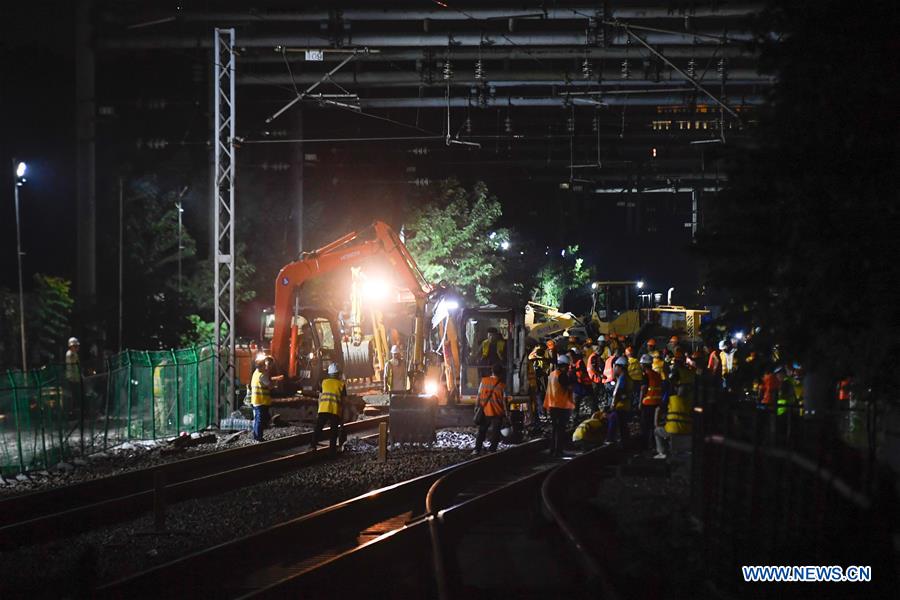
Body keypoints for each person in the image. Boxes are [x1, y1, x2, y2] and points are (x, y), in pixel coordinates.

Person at [312, 362, 347, 453]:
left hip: (323, 409)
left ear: (329, 373)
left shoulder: (324, 382)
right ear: (338, 374)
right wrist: (342, 415)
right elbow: (343, 401)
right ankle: (332, 450)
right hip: (335, 410)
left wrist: (318, 410)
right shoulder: (341, 384)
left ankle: (312, 445)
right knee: (333, 431)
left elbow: (320, 397)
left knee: (318, 428)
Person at [544, 355, 574, 457]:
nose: (567, 368)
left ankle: (552, 450)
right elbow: (568, 387)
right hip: (561, 406)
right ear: (563, 366)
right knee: (560, 429)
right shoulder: (562, 375)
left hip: (552, 405)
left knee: (554, 429)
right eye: (567, 366)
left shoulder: (552, 374)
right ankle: (558, 451)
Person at [474, 364, 507, 454]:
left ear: (492, 371)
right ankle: (492, 450)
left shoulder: (484, 381)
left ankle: (477, 449)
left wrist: (476, 407)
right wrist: (506, 414)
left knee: (482, 431)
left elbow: (479, 396)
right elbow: (504, 401)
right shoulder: (502, 385)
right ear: (501, 373)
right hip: (497, 412)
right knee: (495, 433)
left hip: (485, 411)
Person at [639, 354, 662, 452]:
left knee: (645, 426)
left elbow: (643, 389)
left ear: (644, 365)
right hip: (657, 403)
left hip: (648, 403)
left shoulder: (646, 375)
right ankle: (653, 445)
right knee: (654, 426)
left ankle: (644, 447)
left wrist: (640, 402)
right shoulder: (657, 374)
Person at [607, 356, 632, 446]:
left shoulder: (623, 378)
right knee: (623, 426)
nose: (614, 369)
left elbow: (618, 392)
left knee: (614, 422)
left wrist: (613, 404)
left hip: (620, 406)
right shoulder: (626, 377)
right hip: (625, 406)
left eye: (616, 367)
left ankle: (610, 441)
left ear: (620, 367)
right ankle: (625, 443)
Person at [250, 356, 274, 442]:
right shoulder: (262, 375)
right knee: (260, 420)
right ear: (262, 366)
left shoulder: (255, 373)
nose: (266, 367)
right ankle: (258, 437)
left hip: (255, 400)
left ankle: (256, 435)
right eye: (264, 365)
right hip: (261, 401)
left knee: (257, 419)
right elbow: (270, 386)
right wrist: (274, 383)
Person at [570, 347, 592, 424]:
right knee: (576, 403)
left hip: (585, 384)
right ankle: (575, 418)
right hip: (577, 385)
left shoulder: (580, 362)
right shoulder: (571, 364)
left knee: (590, 401)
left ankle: (593, 415)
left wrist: (574, 370)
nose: (571, 358)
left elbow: (582, 369)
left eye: (572, 356)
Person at [64, 337, 82, 408]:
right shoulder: (70, 354)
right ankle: (72, 411)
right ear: (71, 346)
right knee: (73, 396)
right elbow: (72, 365)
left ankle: (76, 409)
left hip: (76, 378)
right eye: (75, 346)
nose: (77, 347)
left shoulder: (75, 354)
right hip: (71, 379)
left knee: (76, 395)